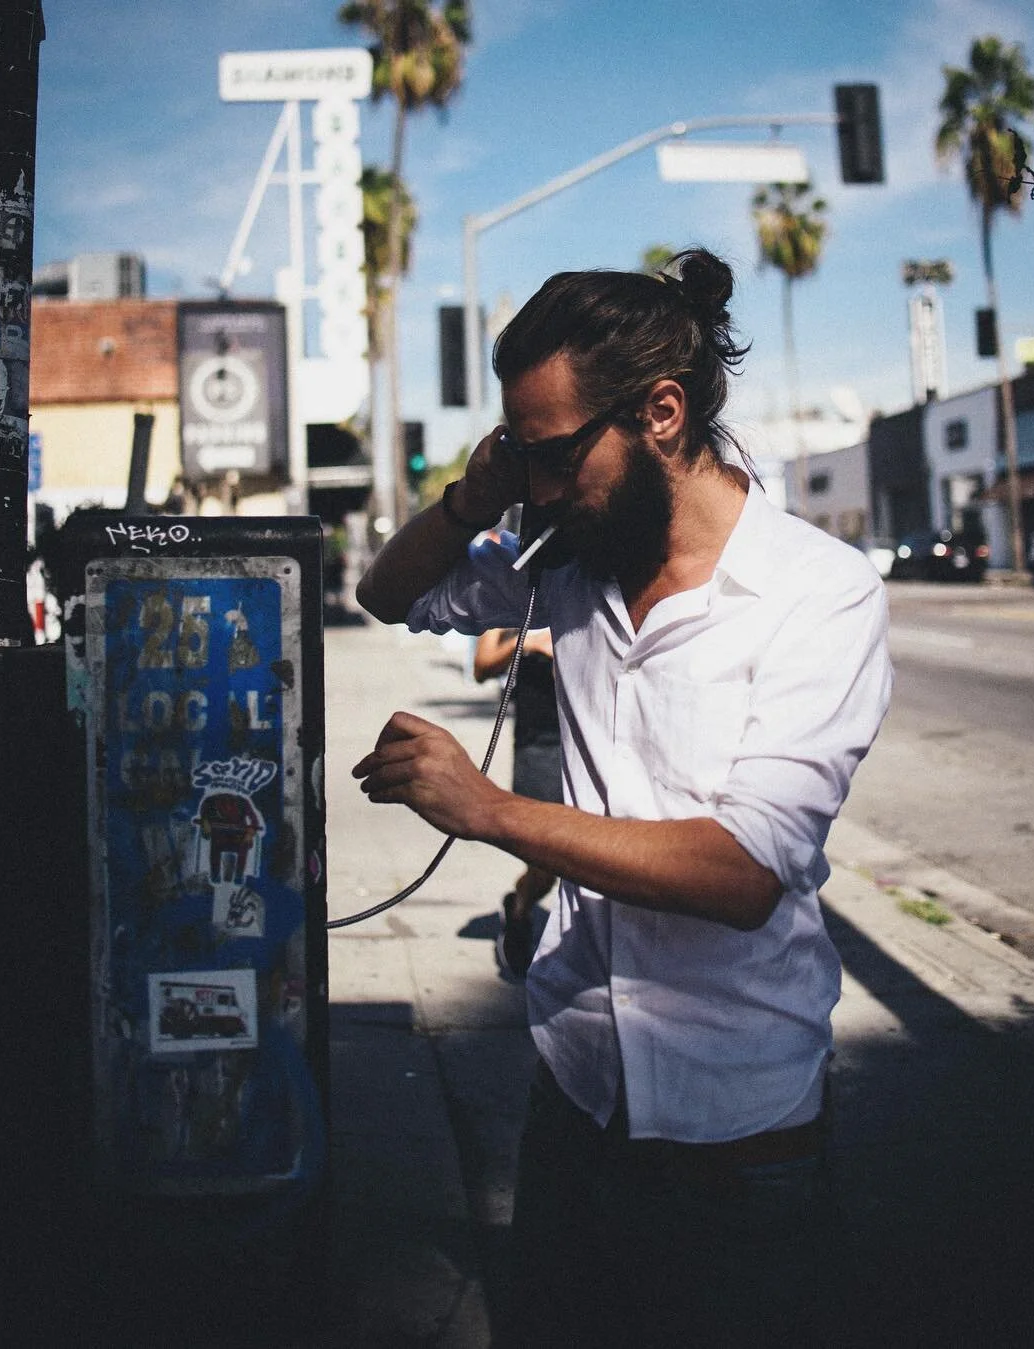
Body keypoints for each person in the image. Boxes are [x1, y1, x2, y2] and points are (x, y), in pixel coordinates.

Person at [353, 248, 892, 1346]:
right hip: (574, 1091)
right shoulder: (571, 556)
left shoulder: (818, 594)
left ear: (661, 411)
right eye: (525, 456)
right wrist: (479, 492)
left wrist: (491, 809)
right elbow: (388, 591)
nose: (544, 488)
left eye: (556, 454)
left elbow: (744, 871)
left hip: (736, 1139)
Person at [473, 625, 562, 979]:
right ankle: (520, 908)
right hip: (538, 743)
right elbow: (482, 666)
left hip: (588, 738)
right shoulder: (512, 603)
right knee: (547, 860)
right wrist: (530, 643)